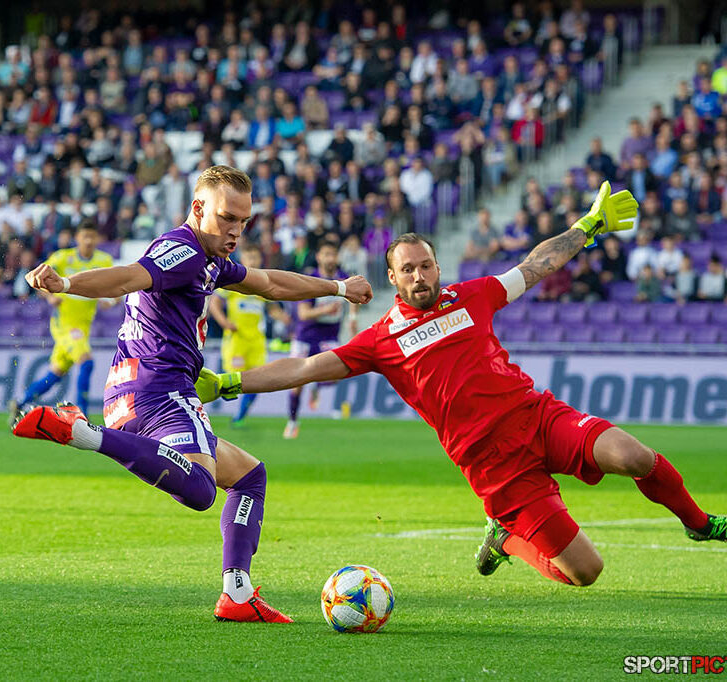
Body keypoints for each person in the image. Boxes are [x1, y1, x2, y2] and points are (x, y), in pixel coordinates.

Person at [200, 182, 727, 589]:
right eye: (408, 269)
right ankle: (505, 535)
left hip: (539, 418)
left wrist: (586, 227)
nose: (420, 275)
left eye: (426, 264)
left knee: (633, 454)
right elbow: (305, 368)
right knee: (585, 572)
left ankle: (699, 523)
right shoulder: (381, 341)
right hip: (494, 465)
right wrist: (230, 382)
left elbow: (536, 265)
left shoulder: (473, 296)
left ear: (437, 265)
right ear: (393, 279)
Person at [11, 166, 372, 622]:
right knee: (202, 491)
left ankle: (237, 595)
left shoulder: (210, 259)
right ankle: (81, 432)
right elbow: (127, 277)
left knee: (249, 478)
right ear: (198, 208)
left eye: (244, 221)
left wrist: (338, 288)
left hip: (140, 388)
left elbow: (270, 284)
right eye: (227, 218)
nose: (236, 230)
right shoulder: (181, 250)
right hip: (159, 390)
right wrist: (66, 285)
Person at [9, 220, 115, 418]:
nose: (89, 241)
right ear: (78, 238)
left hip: (83, 328)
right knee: (87, 363)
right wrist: (49, 296)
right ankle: (81, 415)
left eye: (93, 237)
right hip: (64, 325)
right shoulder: (63, 258)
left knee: (54, 376)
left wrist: (113, 301)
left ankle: (21, 401)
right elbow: (36, 278)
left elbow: (116, 288)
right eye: (85, 236)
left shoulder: (104, 260)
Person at [208, 244, 290, 427]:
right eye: (249, 257)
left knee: (258, 380)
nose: (253, 261)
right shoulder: (234, 283)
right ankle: (205, 398)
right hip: (237, 340)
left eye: (255, 257)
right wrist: (224, 322)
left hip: (256, 341)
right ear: (243, 259)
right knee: (231, 377)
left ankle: (240, 417)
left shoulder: (261, 284)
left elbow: (272, 308)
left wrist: (282, 317)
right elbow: (214, 303)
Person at [285, 240, 358, 439]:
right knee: (296, 381)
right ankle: (292, 422)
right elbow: (303, 313)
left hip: (329, 335)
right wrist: (326, 309)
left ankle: (316, 384)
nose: (330, 258)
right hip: (306, 335)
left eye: (333, 254)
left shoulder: (344, 278)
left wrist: (352, 318)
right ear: (319, 257)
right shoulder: (311, 280)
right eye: (326, 254)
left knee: (337, 374)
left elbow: (356, 296)